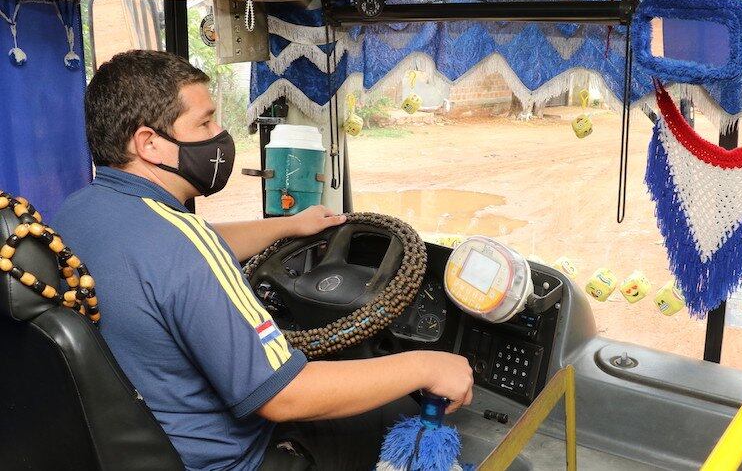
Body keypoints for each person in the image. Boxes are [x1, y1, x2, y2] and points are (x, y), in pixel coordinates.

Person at [52, 50, 474, 471]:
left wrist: (287, 227)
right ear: (149, 143)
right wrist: (426, 366)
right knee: (399, 410)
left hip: (138, 449)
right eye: (204, 122)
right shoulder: (183, 249)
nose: (219, 134)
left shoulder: (79, 213)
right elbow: (283, 395)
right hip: (235, 461)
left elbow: (184, 250)